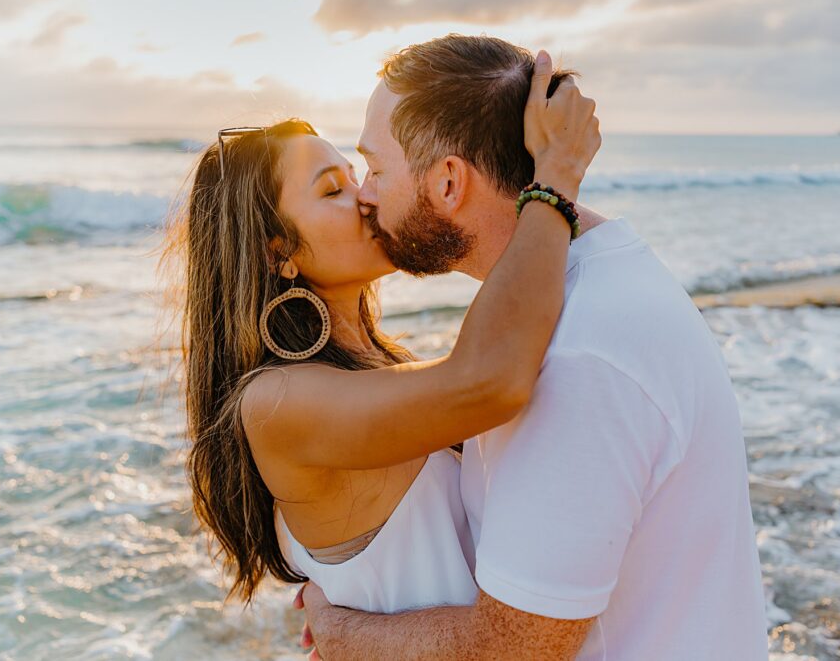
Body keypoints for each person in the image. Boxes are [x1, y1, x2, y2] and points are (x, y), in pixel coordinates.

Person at [297, 34, 768, 660]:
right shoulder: (580, 284)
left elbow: (515, 648)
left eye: (377, 170)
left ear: (447, 183)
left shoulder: (578, 356)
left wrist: (344, 634)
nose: (365, 194)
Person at [160, 48, 600, 617]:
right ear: (280, 254)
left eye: (359, 174)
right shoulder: (276, 402)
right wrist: (554, 178)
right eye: (331, 190)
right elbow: (494, 380)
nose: (366, 196)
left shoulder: (381, 366)